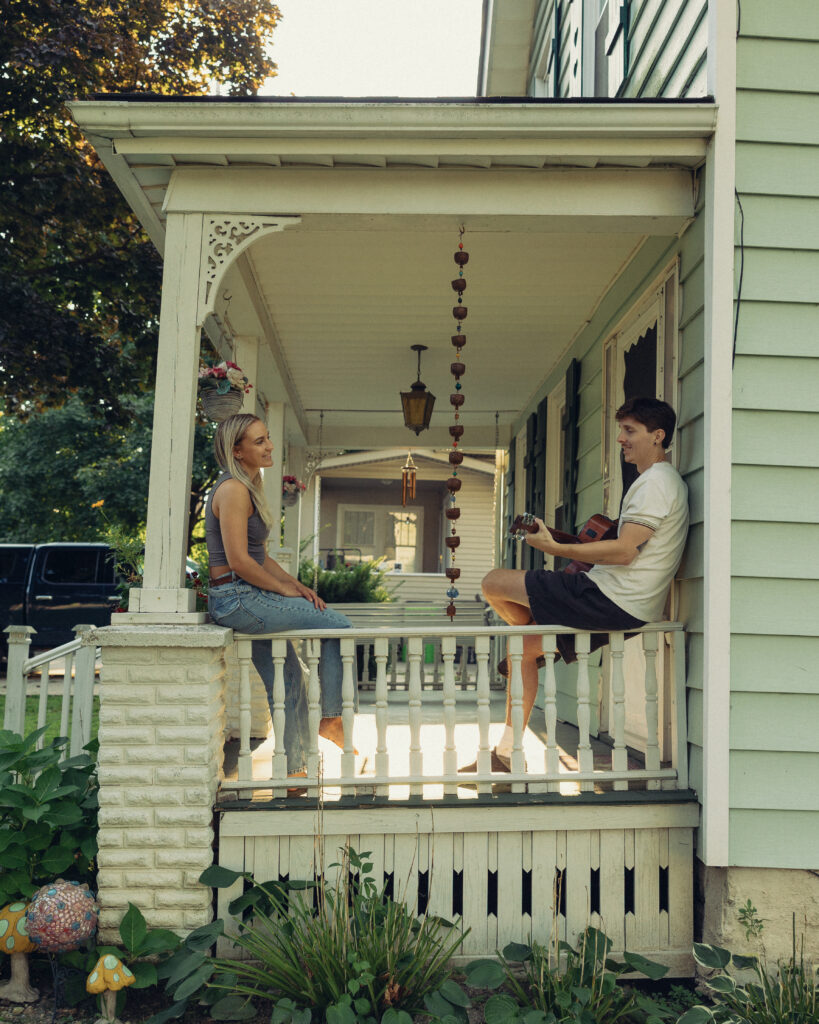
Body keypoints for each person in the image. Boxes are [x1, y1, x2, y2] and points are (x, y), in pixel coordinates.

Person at [463, 397, 689, 775]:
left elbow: (624, 551)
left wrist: (553, 547)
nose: (620, 438)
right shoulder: (654, 482)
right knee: (521, 651)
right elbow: (621, 545)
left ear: (658, 436)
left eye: (630, 430)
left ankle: (530, 628)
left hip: (609, 598)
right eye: (621, 430)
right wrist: (557, 538)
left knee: (494, 582)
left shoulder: (656, 484)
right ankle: (505, 754)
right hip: (616, 598)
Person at [205, 414, 354, 787]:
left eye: (267, 438)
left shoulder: (248, 486)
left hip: (244, 596)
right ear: (237, 451)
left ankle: (294, 773)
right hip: (236, 599)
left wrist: (296, 585)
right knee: (338, 625)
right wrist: (283, 590)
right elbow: (239, 561)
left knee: (288, 680)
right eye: (259, 442)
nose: (269, 446)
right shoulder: (233, 491)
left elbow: (259, 556)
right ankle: (331, 717)